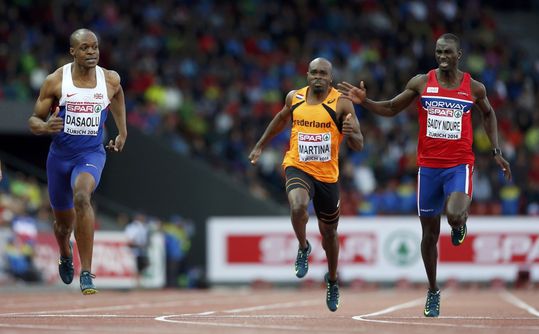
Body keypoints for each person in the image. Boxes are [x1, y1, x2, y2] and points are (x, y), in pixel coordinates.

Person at [338, 33, 511, 317]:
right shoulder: (421, 82)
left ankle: (459, 224)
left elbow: (489, 115)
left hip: (458, 165)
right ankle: (433, 290)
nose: (442, 56)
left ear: (459, 55)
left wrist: (495, 151)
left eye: (448, 52)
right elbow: (392, 108)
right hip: (428, 168)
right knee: (429, 235)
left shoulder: (474, 88)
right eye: (438, 51)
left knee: (454, 214)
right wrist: (365, 102)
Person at [249, 57, 364, 312]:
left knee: (330, 234)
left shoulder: (342, 102)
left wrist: (352, 131)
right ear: (307, 75)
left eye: (323, 73)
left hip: (327, 176)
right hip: (298, 165)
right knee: (298, 206)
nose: (318, 77)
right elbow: (280, 119)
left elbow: (359, 144)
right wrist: (260, 145)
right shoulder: (295, 97)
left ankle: (332, 280)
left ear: (330, 78)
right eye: (314, 72)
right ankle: (303, 246)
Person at [28, 28, 127, 295]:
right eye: (85, 48)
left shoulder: (109, 79)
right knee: (62, 226)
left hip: (90, 155)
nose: (92, 52)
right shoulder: (56, 81)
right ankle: (64, 252)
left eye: (95, 47)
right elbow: (33, 120)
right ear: (73, 51)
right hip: (59, 159)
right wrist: (46, 126)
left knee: (82, 197)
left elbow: (117, 96)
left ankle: (87, 273)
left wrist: (122, 132)